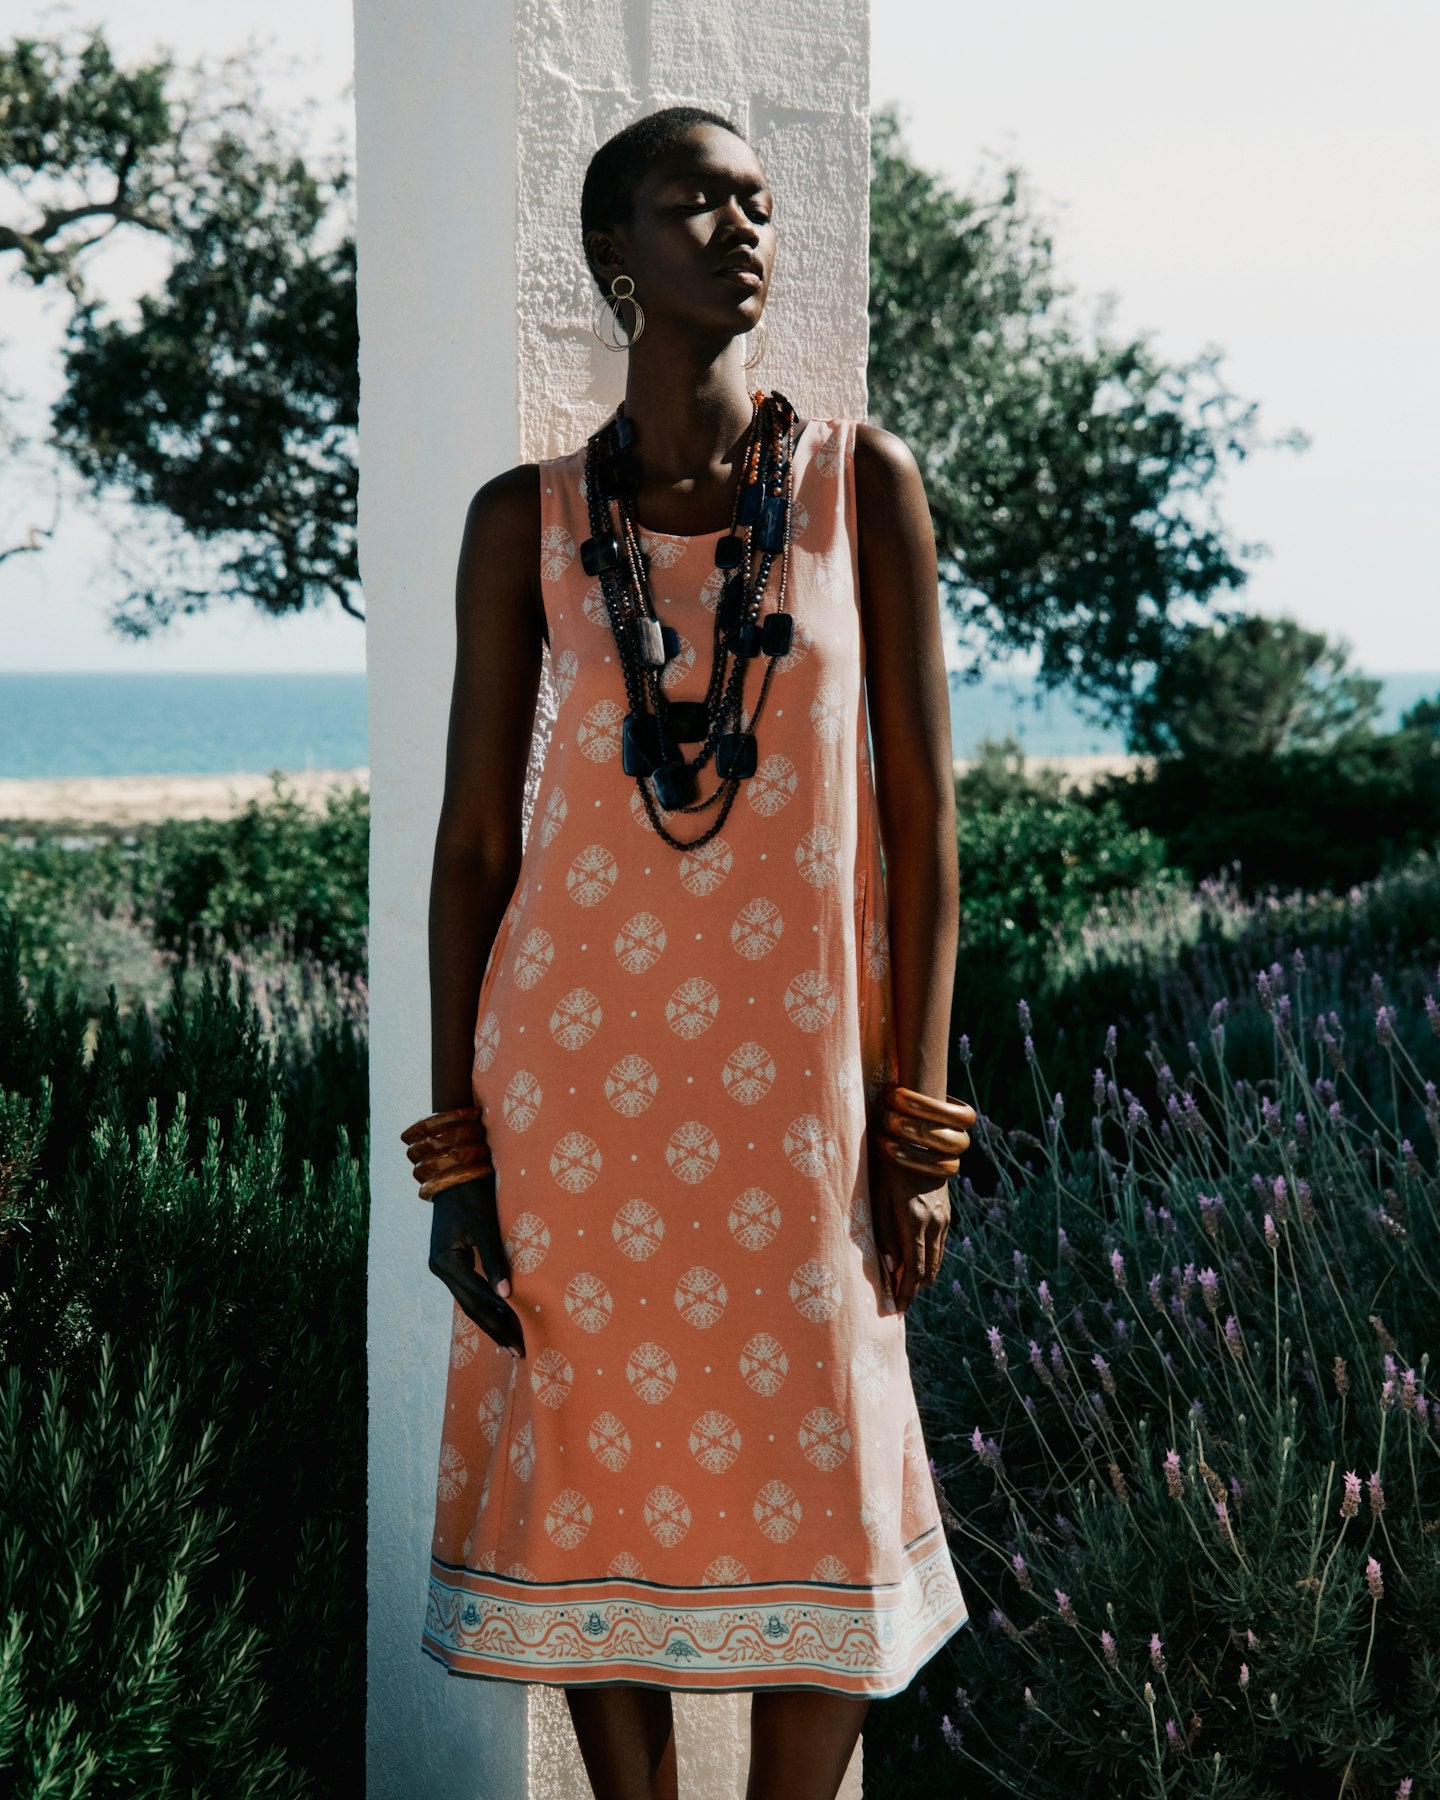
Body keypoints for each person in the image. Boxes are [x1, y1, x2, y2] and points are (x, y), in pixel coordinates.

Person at [405, 104, 976, 1800]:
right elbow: (474, 851)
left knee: (829, 1473)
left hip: (800, 1108)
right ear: (616, 257)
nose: (739, 231)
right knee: (595, 1465)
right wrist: (456, 1157)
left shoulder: (863, 489)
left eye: (756, 203)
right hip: (575, 1101)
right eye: (691, 204)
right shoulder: (524, 519)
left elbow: (927, 833)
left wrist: (920, 1122)